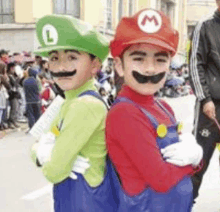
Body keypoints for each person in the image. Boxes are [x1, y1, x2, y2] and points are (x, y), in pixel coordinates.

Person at [106, 8, 203, 212]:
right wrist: (195, 161)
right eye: (139, 59)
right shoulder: (125, 113)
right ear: (119, 65)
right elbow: (160, 179)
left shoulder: (163, 106)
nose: (150, 68)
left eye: (160, 59)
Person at [31, 14, 118, 212]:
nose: (61, 67)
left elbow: (54, 171)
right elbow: (35, 143)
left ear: (94, 65)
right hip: (76, 198)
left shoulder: (84, 105)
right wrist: (43, 153)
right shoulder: (64, 102)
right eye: (54, 58)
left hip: (86, 201)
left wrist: (46, 152)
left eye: (72, 57)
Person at [189, 0, 220, 202]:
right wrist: (205, 98)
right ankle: (185, 203)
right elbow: (195, 63)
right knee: (197, 164)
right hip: (210, 107)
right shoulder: (205, 25)